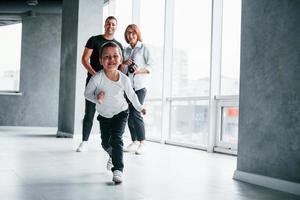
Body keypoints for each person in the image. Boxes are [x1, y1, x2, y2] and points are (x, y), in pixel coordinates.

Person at [84, 41, 146, 183]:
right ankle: (113, 155)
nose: (111, 60)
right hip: (104, 115)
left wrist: (140, 107)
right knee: (105, 143)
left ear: (120, 59)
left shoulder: (124, 79)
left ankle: (118, 169)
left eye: (115, 56)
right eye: (107, 57)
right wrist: (96, 98)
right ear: (100, 60)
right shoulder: (97, 78)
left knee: (117, 140)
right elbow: (87, 94)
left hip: (121, 112)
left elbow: (131, 95)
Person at [77, 16, 123, 152]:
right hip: (94, 80)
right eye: (108, 23)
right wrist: (95, 74)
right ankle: (84, 141)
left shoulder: (118, 45)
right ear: (105, 25)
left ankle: (110, 143)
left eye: (113, 24)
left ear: (116, 27)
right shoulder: (94, 39)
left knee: (111, 112)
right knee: (89, 112)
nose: (111, 26)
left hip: (111, 83)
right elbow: (85, 59)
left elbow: (119, 65)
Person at [120, 24, 153, 155]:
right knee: (129, 115)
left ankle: (142, 142)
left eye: (133, 33)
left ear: (137, 34)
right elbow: (122, 70)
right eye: (128, 33)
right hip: (128, 87)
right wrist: (124, 64)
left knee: (136, 113)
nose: (131, 35)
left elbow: (151, 66)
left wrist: (139, 70)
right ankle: (134, 141)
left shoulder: (144, 48)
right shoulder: (125, 50)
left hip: (140, 87)